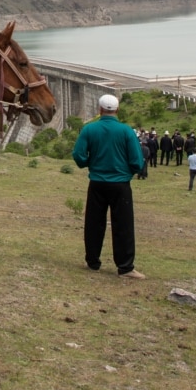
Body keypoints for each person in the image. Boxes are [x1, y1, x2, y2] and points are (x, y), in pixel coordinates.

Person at [72, 94, 146, 279]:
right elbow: (137, 160)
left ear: (100, 109)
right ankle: (125, 267)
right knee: (124, 225)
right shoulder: (126, 131)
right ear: (117, 110)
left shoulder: (89, 129)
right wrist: (128, 172)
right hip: (120, 184)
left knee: (93, 223)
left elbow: (78, 155)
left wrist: (90, 163)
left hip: (97, 182)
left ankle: (93, 261)